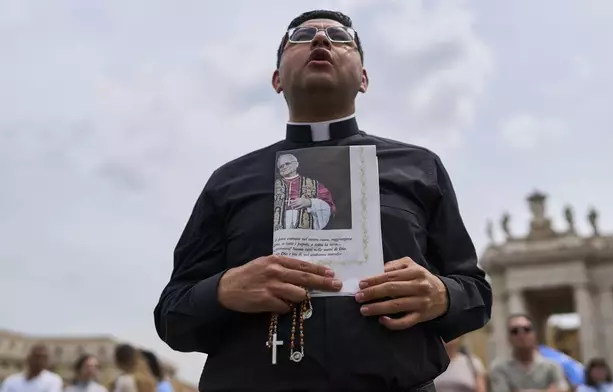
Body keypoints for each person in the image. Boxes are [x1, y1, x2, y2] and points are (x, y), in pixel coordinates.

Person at [153, 9, 491, 392]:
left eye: (340, 36)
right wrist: (223, 290)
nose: (321, 39)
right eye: (301, 35)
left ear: (363, 79)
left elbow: (476, 294)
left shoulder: (420, 168)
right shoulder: (228, 181)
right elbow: (172, 316)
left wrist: (442, 295)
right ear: (277, 79)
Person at [489, 314, 569, 392]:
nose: (521, 334)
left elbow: (563, 389)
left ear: (534, 334)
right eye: (514, 331)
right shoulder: (499, 368)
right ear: (508, 338)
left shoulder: (552, 366)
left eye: (526, 329)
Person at [274, 152, 336, 230]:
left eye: (287, 163)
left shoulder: (314, 185)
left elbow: (330, 208)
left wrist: (309, 202)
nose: (284, 167)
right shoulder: (274, 185)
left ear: (296, 164)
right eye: (281, 166)